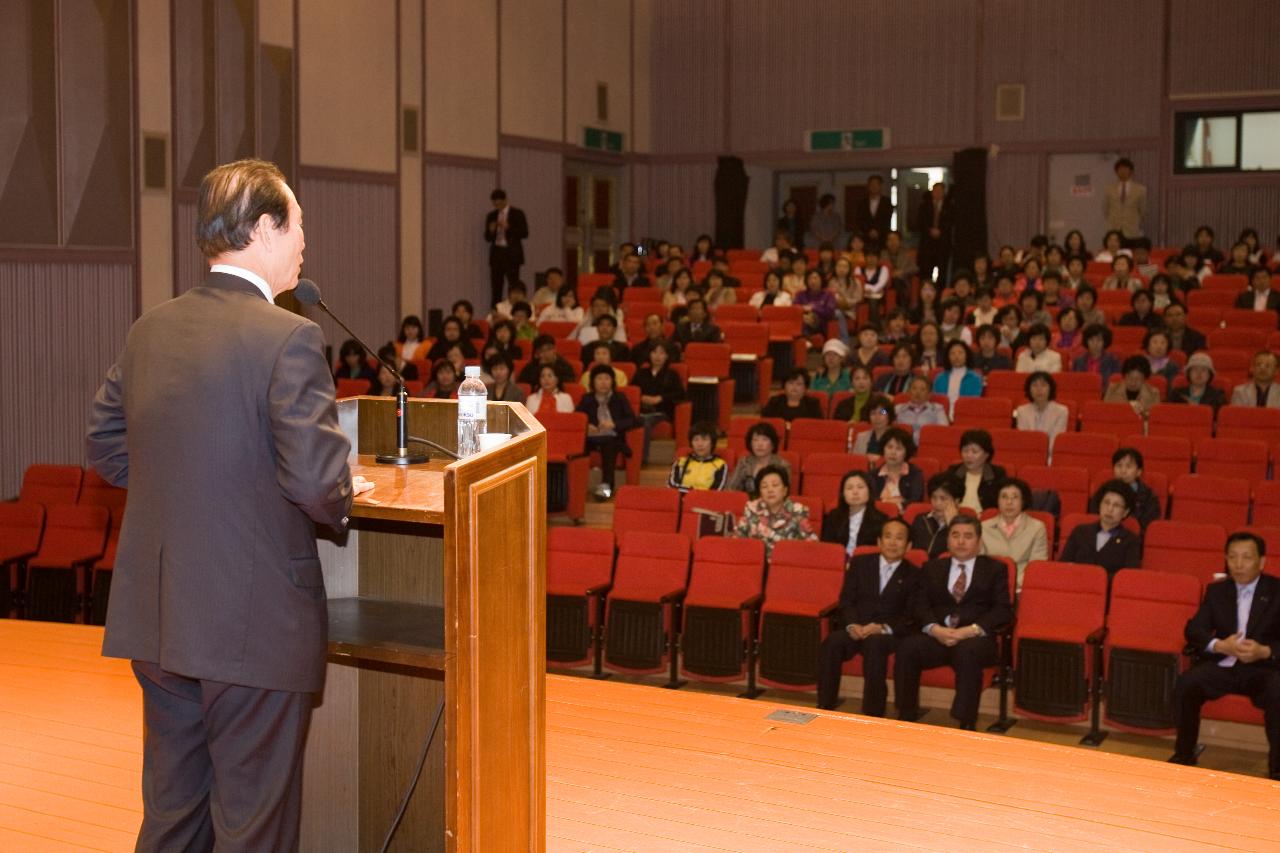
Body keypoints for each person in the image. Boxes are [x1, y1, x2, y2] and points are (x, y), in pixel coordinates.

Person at [85, 158, 355, 850]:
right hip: (253, 623)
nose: (304, 241)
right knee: (252, 826)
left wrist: (194, 490)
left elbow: (108, 446)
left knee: (173, 818)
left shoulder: (152, 328)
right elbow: (319, 485)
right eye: (297, 224)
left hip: (161, 617)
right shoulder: (289, 336)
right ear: (264, 227)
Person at [1170, 531, 1280, 779]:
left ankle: (1277, 771)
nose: (1238, 564)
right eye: (1232, 557)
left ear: (1261, 562)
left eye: (1246, 558)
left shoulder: (1277, 591)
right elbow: (1194, 629)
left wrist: (1265, 651)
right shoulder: (1218, 591)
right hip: (1224, 664)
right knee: (1187, 683)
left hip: (1263, 669)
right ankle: (1184, 755)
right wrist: (1220, 645)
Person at [894, 516, 1012, 730]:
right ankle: (906, 714)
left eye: (968, 536)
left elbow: (1002, 610)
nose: (961, 541)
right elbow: (920, 605)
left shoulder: (995, 569)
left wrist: (970, 631)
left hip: (975, 639)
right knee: (908, 647)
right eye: (955, 535)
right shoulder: (932, 567)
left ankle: (966, 721)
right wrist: (934, 629)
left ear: (978, 541)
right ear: (947, 540)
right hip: (939, 636)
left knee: (968, 652)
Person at [816, 519, 920, 713]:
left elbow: (911, 614)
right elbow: (846, 600)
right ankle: (825, 704)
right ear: (879, 541)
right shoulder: (860, 564)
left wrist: (882, 628)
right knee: (832, 642)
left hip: (889, 634)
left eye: (899, 538)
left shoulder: (914, 574)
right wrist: (851, 625)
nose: (892, 542)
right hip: (856, 627)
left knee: (875, 644)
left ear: (909, 546)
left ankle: (873, 711)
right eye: (887, 536)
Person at [577, 364, 636, 500]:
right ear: (593, 382)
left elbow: (632, 420)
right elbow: (577, 418)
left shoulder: (620, 398)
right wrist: (586, 426)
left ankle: (606, 488)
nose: (603, 382)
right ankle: (578, 487)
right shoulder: (587, 398)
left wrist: (614, 425)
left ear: (612, 381)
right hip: (592, 437)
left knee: (610, 446)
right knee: (578, 448)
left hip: (612, 437)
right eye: (599, 379)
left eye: (607, 379)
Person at [979, 478, 1049, 591]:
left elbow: (1037, 566)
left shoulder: (1037, 527)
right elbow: (980, 563)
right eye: (1004, 497)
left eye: (1015, 497)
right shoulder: (983, 527)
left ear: (1023, 501)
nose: (1009, 502)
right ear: (997, 500)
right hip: (990, 588)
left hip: (1022, 588)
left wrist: (1012, 585)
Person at [1060, 480, 1142, 576]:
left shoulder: (1131, 541)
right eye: (1106, 503)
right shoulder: (1080, 532)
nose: (1110, 509)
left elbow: (1127, 577)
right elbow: (1063, 566)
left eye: (1116, 505)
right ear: (1099, 505)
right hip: (1075, 587)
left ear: (1125, 512)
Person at [734, 465, 817, 557]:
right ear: (760, 493)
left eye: (775, 485)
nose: (770, 490)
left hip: (786, 564)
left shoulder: (797, 511)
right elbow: (738, 539)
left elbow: (811, 544)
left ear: (785, 490)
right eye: (764, 487)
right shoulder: (751, 509)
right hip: (755, 563)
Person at [632, 342, 685, 463]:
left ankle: (641, 459)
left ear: (666, 356)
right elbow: (632, 390)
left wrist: (660, 398)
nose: (657, 356)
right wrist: (640, 397)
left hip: (662, 411)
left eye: (661, 353)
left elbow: (680, 394)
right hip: (641, 409)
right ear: (649, 355)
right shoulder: (641, 373)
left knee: (645, 422)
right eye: (654, 352)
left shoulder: (672, 374)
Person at [1089, 447, 1161, 530]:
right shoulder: (1104, 490)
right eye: (1119, 465)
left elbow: (1148, 527)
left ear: (1139, 472)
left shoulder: (1148, 496)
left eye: (1128, 466)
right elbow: (1093, 516)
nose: (1123, 471)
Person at [821, 470, 890, 556]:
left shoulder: (882, 520)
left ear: (869, 491)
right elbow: (827, 546)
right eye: (849, 488)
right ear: (843, 494)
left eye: (860, 487)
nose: (855, 492)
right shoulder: (833, 516)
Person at [485, 188, 529, 308]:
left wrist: (508, 227)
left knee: (514, 285)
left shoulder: (517, 213)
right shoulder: (492, 215)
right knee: (496, 287)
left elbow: (524, 233)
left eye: (499, 203)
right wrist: (491, 231)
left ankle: (515, 310)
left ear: (505, 200)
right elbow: (487, 238)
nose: (497, 206)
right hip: (497, 253)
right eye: (495, 204)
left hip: (512, 255)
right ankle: (495, 311)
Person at [944, 429, 1007, 513]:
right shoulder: (953, 472)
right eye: (965, 451)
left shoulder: (997, 474)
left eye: (975, 452)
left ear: (986, 454)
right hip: (957, 519)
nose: (969, 456)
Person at [725, 423, 791, 495]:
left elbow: (784, 494)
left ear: (773, 444)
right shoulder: (744, 462)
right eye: (755, 440)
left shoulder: (782, 465)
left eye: (764, 440)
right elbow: (730, 488)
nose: (759, 444)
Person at [911, 473, 964, 559]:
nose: (937, 503)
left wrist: (952, 524)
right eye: (934, 498)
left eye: (943, 499)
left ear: (956, 501)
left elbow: (962, 553)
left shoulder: (966, 524)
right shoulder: (920, 519)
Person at [1015, 371, 1070, 451]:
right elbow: (1024, 439)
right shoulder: (1022, 411)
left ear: (1050, 388)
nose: (1039, 389)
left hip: (1051, 455)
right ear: (1029, 389)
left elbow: (1055, 441)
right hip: (1028, 453)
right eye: (1034, 385)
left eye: (1043, 385)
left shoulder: (1061, 411)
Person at [873, 427, 925, 510]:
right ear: (883, 449)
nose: (893, 452)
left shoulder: (914, 474)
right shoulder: (873, 475)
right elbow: (870, 500)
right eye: (889, 447)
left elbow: (916, 500)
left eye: (898, 448)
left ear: (906, 453)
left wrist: (897, 507)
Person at [668, 421, 728, 493]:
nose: (700, 444)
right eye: (696, 439)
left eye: (704, 439)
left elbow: (715, 492)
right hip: (682, 502)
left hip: (706, 503)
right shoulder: (681, 462)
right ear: (691, 443)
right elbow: (672, 486)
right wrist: (693, 493)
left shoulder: (720, 465)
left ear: (712, 442)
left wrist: (693, 494)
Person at [932, 340, 982, 417]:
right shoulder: (940, 378)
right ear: (948, 357)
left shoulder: (975, 378)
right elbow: (936, 402)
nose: (956, 356)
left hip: (965, 415)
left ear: (966, 355)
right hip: (941, 415)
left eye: (960, 353)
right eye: (952, 353)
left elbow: (972, 403)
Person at [915, 182, 951, 283]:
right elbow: (920, 223)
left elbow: (951, 223)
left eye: (940, 191)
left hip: (943, 245)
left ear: (944, 192)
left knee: (942, 273)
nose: (938, 193)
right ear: (932, 192)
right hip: (927, 245)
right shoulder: (924, 205)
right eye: (935, 191)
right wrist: (930, 230)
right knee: (926, 272)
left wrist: (941, 231)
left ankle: (940, 294)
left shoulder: (949, 206)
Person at [896, 375, 950, 441]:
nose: (917, 392)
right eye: (914, 388)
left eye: (923, 389)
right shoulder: (898, 408)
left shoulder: (937, 409)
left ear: (929, 394)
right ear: (908, 392)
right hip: (902, 446)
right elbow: (884, 411)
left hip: (928, 444)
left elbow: (943, 429)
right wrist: (883, 409)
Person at [1072, 324, 1122, 390]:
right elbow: (1074, 383)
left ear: (1105, 342)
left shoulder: (1113, 361)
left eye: (1099, 340)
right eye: (1091, 340)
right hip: (1082, 393)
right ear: (1086, 341)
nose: (1095, 344)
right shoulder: (1078, 361)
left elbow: (1116, 384)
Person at [853, 175, 893, 249]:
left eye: (876, 184)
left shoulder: (887, 202)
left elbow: (887, 219)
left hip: (882, 237)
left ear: (881, 186)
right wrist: (869, 231)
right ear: (868, 186)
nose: (874, 187)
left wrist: (877, 231)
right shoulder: (863, 202)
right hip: (866, 238)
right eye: (872, 184)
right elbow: (860, 220)